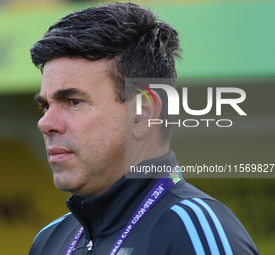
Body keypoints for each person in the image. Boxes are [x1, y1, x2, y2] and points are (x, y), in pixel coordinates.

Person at [28, 2, 259, 255]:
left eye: (73, 102)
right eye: (45, 106)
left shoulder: (192, 231)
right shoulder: (49, 241)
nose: (45, 123)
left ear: (142, 115)